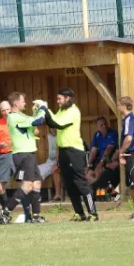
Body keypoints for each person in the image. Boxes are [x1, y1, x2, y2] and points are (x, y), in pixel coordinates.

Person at [43, 87, 98, 221]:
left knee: (81, 182)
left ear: (68, 98)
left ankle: (93, 213)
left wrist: (45, 109)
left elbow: (59, 124)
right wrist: (42, 111)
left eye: (59, 98)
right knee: (68, 184)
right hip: (63, 151)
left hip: (74, 151)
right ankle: (79, 213)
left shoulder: (73, 111)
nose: (58, 101)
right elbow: (51, 122)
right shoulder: (62, 110)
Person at [0, 92, 47, 224]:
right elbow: (38, 121)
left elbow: (34, 128)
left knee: (36, 184)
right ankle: (6, 211)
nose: (25, 103)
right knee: (28, 186)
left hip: (29, 154)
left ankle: (36, 216)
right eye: (23, 101)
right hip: (23, 155)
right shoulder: (13, 117)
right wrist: (43, 108)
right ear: (16, 103)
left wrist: (36, 113)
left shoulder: (21, 116)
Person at [0, 101, 15, 209]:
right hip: (4, 155)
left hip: (18, 153)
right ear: (0, 112)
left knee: (27, 183)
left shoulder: (17, 119)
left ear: (11, 108)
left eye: (7, 109)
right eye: (3, 110)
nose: (6, 112)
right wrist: (0, 144)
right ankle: (6, 211)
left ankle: (29, 213)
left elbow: (35, 131)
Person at [86, 117, 118, 183]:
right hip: (99, 160)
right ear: (97, 128)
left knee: (98, 171)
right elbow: (93, 151)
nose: (104, 126)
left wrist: (101, 163)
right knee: (87, 174)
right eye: (101, 125)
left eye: (105, 123)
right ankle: (98, 185)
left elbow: (109, 149)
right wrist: (88, 165)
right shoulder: (97, 135)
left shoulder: (113, 133)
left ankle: (99, 188)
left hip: (108, 159)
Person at [38, 127, 62, 201]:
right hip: (50, 161)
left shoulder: (61, 137)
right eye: (52, 128)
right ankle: (36, 195)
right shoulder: (48, 137)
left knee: (55, 170)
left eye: (55, 128)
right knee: (37, 169)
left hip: (60, 161)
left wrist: (57, 162)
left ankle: (58, 194)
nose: (54, 129)